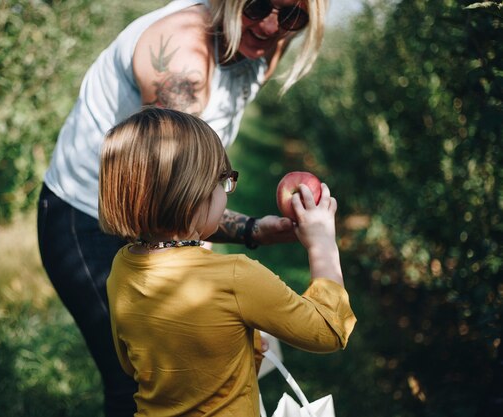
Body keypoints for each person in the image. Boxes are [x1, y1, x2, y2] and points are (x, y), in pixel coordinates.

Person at [37, 1, 330, 415]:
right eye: (260, 5)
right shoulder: (180, 52)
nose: (269, 26)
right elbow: (174, 196)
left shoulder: (261, 42)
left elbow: (187, 206)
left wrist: (252, 230)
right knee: (142, 379)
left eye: (292, 16)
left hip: (162, 225)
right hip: (88, 217)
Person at [99, 107, 356, 416]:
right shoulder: (236, 277)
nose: (227, 193)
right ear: (192, 195)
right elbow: (329, 329)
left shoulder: (122, 268)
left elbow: (132, 364)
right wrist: (322, 242)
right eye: (222, 182)